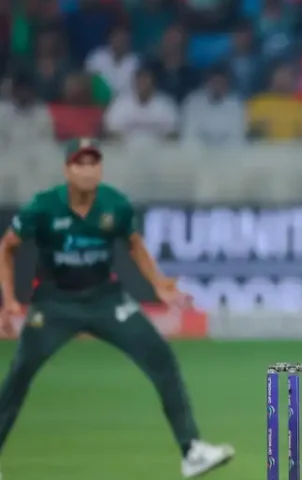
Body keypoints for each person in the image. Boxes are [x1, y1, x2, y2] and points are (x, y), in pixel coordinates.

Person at [0, 139, 235, 478]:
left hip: (105, 300)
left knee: (160, 357)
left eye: (94, 162)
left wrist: (158, 283)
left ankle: (192, 451)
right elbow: (7, 248)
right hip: (54, 303)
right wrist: (8, 300)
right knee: (19, 375)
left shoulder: (115, 205)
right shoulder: (43, 207)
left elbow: (134, 244)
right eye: (80, 163)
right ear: (67, 170)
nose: (87, 169)